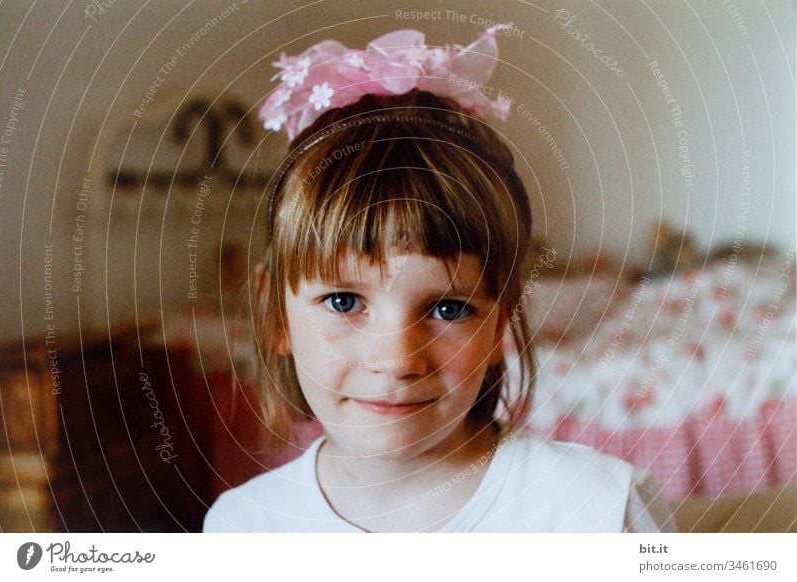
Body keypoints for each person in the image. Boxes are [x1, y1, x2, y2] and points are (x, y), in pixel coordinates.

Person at [203, 26, 674, 533]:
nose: (398, 360)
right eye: (343, 301)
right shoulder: (242, 526)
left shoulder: (599, 510)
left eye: (447, 309)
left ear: (499, 325)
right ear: (276, 314)